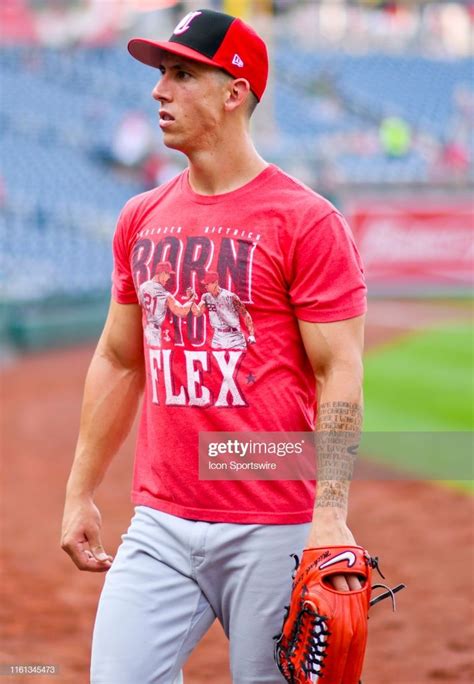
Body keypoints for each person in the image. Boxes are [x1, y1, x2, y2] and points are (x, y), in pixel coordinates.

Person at [61, 8, 367, 684]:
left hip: (274, 524)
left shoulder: (307, 222)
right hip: (161, 520)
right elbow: (118, 358)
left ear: (234, 91)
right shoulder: (140, 217)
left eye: (180, 74)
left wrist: (330, 517)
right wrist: (80, 491)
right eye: (160, 74)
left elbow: (338, 370)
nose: (158, 91)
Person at [190, 270, 256, 349]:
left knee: (239, 360)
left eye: (207, 284)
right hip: (217, 337)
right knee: (214, 360)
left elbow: (245, 314)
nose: (205, 286)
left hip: (234, 336)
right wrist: (191, 300)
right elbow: (197, 313)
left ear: (215, 282)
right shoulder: (206, 297)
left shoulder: (230, 297)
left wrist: (251, 334)